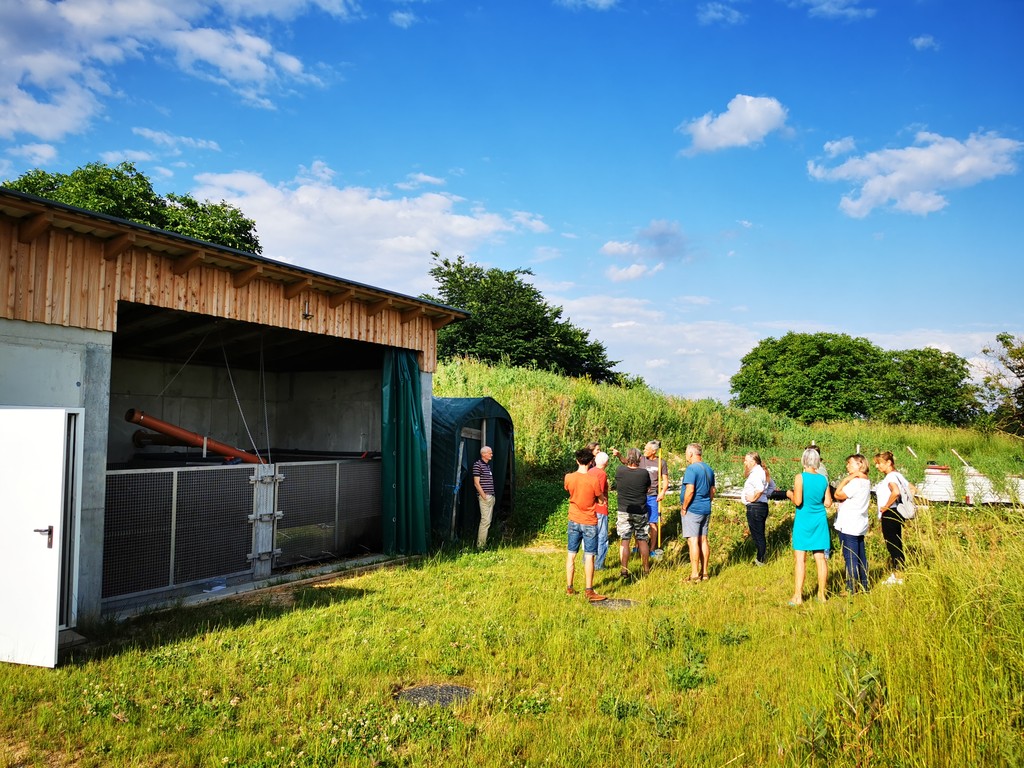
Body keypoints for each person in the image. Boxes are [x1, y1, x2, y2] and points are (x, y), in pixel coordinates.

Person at [787, 448, 833, 605]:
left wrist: (789, 494)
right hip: (819, 519)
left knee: (800, 559)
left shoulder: (800, 477)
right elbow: (828, 502)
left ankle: (798, 596)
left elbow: (798, 501)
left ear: (803, 461)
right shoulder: (823, 479)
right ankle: (821, 595)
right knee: (820, 558)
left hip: (804, 520)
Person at [564, 447, 607, 601]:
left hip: (573, 519)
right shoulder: (593, 480)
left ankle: (569, 587)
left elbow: (568, 489)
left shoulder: (569, 477)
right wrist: (602, 499)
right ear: (591, 462)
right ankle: (589, 591)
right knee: (589, 556)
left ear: (577, 460)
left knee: (571, 555)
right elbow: (600, 498)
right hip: (589, 520)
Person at [833, 453, 871, 594]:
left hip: (850, 524)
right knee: (861, 555)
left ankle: (851, 587)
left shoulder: (856, 482)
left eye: (850, 463)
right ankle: (864, 585)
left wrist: (846, 479)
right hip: (859, 523)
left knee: (850, 557)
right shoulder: (866, 481)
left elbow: (838, 494)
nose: (847, 465)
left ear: (859, 464)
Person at [873, 451, 910, 585]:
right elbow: (912, 489)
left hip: (890, 512)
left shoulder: (890, 477)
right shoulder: (900, 476)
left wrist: (885, 506)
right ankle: (899, 573)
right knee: (897, 543)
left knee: (893, 545)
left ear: (888, 463)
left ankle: (898, 576)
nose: (877, 467)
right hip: (898, 512)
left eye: (879, 463)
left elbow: (895, 491)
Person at [615, 447, 652, 579]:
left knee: (625, 540)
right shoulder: (644, 473)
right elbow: (648, 488)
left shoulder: (620, 470)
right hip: (640, 510)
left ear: (627, 458)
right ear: (640, 459)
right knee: (642, 539)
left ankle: (624, 570)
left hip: (624, 510)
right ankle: (646, 569)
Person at [681, 442, 716, 582]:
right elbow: (712, 491)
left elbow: (690, 490)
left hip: (693, 509)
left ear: (691, 453)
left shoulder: (691, 469)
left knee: (693, 540)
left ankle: (695, 574)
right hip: (705, 508)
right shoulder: (709, 469)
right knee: (703, 539)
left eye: (686, 453)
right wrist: (707, 501)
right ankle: (705, 572)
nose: (686, 456)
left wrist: (684, 507)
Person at [639, 440, 669, 554]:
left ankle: (652, 548)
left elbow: (665, 480)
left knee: (652, 523)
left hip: (653, 496)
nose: (644, 451)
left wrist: (662, 492)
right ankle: (639, 545)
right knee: (639, 521)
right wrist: (619, 456)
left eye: (646, 449)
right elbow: (628, 463)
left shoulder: (661, 462)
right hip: (640, 495)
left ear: (653, 451)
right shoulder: (641, 459)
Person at [742, 452, 770, 566]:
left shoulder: (756, 474)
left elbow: (759, 488)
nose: (744, 463)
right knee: (759, 534)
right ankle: (761, 558)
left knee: (757, 535)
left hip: (755, 507)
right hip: (760, 506)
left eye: (746, 460)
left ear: (753, 462)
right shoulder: (760, 472)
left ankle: (760, 560)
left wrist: (753, 499)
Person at [589, 451, 611, 570]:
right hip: (600, 509)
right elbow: (600, 492)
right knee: (602, 537)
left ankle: (587, 560)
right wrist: (603, 502)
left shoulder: (590, 471)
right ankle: (599, 564)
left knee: (592, 535)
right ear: (606, 462)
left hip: (590, 508)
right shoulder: (601, 474)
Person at [473, 446, 495, 548]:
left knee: (488, 521)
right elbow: (476, 483)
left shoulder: (487, 466)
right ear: (484, 454)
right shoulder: (478, 465)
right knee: (485, 521)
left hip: (491, 497)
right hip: (485, 498)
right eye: (490, 453)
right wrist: (484, 496)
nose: (491, 454)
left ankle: (483, 544)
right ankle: (480, 546)